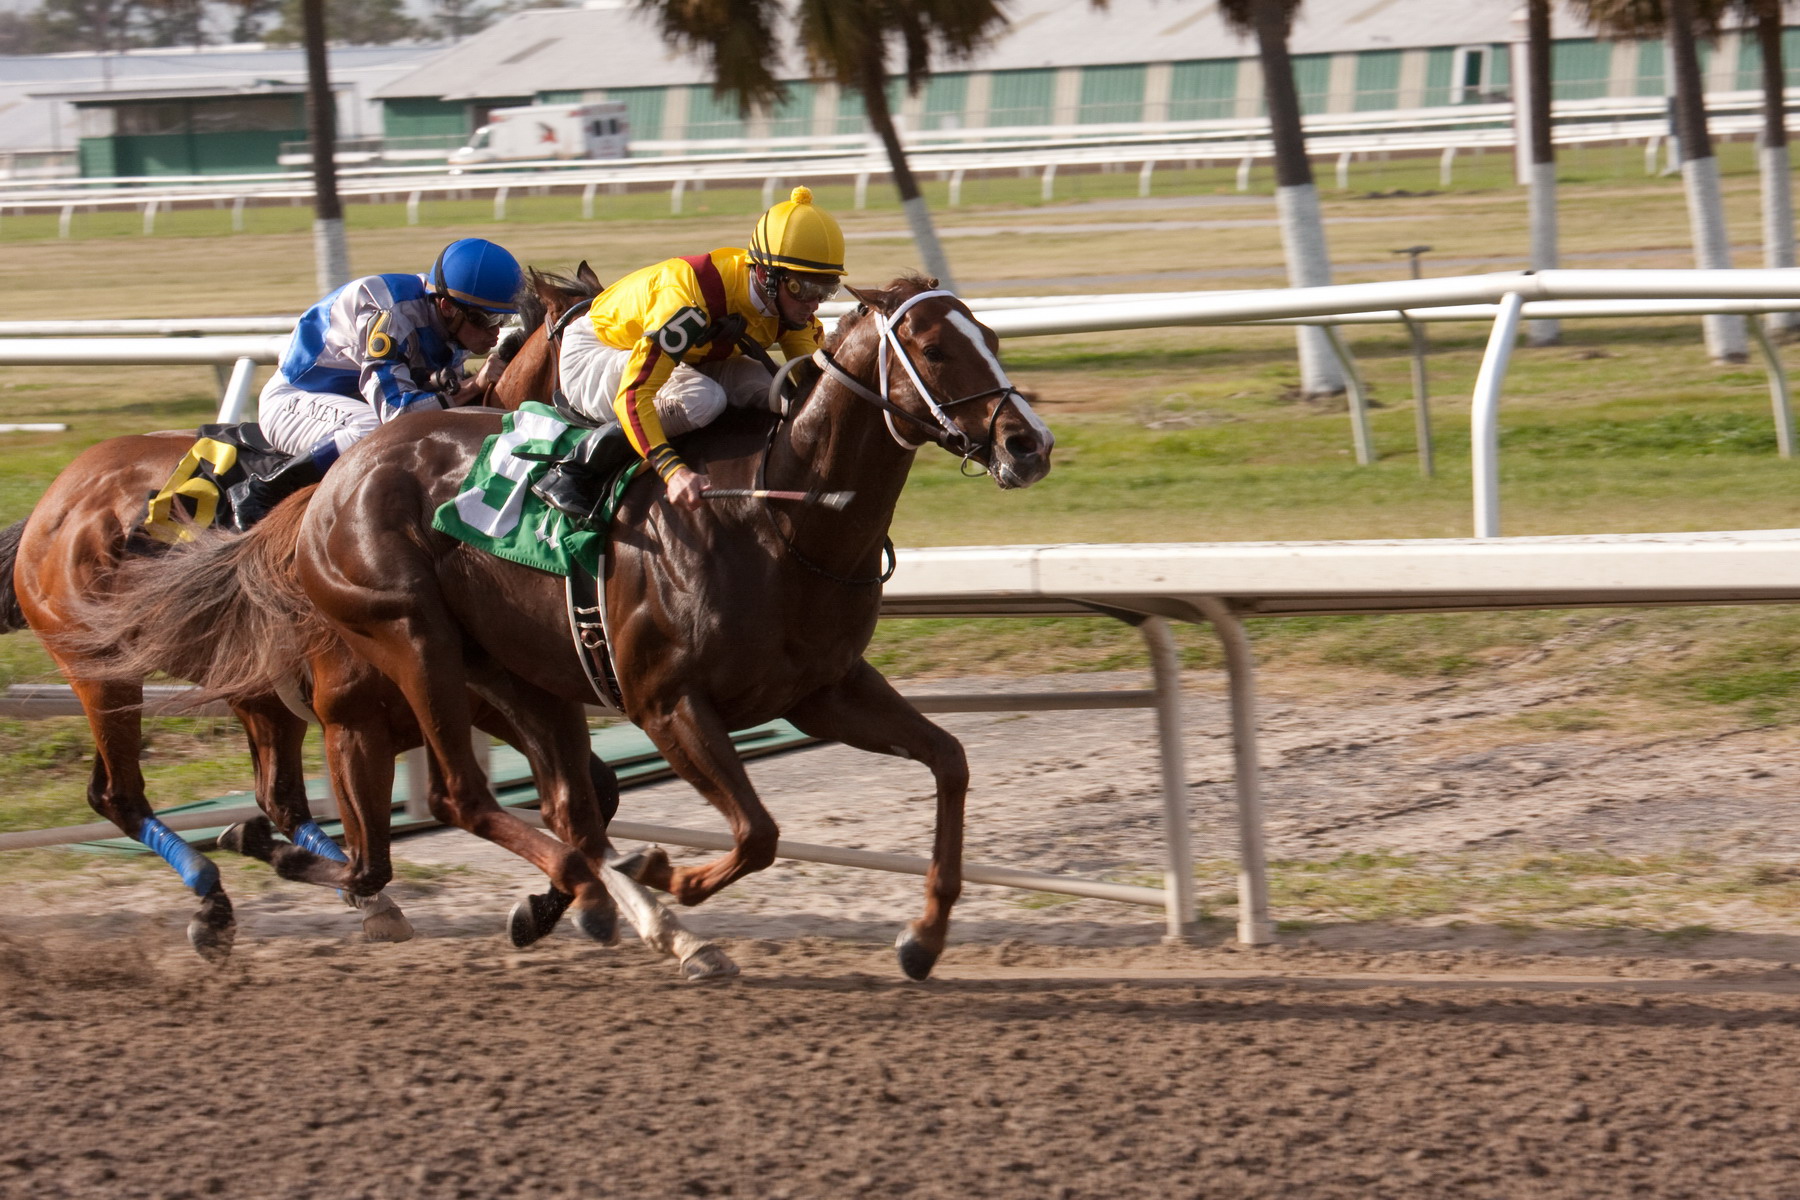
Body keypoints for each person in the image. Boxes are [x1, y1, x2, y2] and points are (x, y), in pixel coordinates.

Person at [533, 185, 844, 522]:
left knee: (774, 388)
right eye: (802, 288)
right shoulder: (690, 300)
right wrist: (673, 471)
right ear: (764, 274)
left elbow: (816, 386)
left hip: (685, 358)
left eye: (825, 291)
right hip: (596, 353)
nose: (813, 305)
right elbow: (634, 394)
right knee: (703, 398)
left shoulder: (792, 308)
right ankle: (574, 470)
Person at [228, 236, 524, 530]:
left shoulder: (450, 319)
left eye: (502, 320)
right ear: (447, 306)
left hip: (352, 401)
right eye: (485, 320)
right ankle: (262, 492)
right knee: (372, 431)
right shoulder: (389, 315)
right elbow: (396, 416)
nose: (495, 333)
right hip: (294, 400)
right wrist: (472, 386)